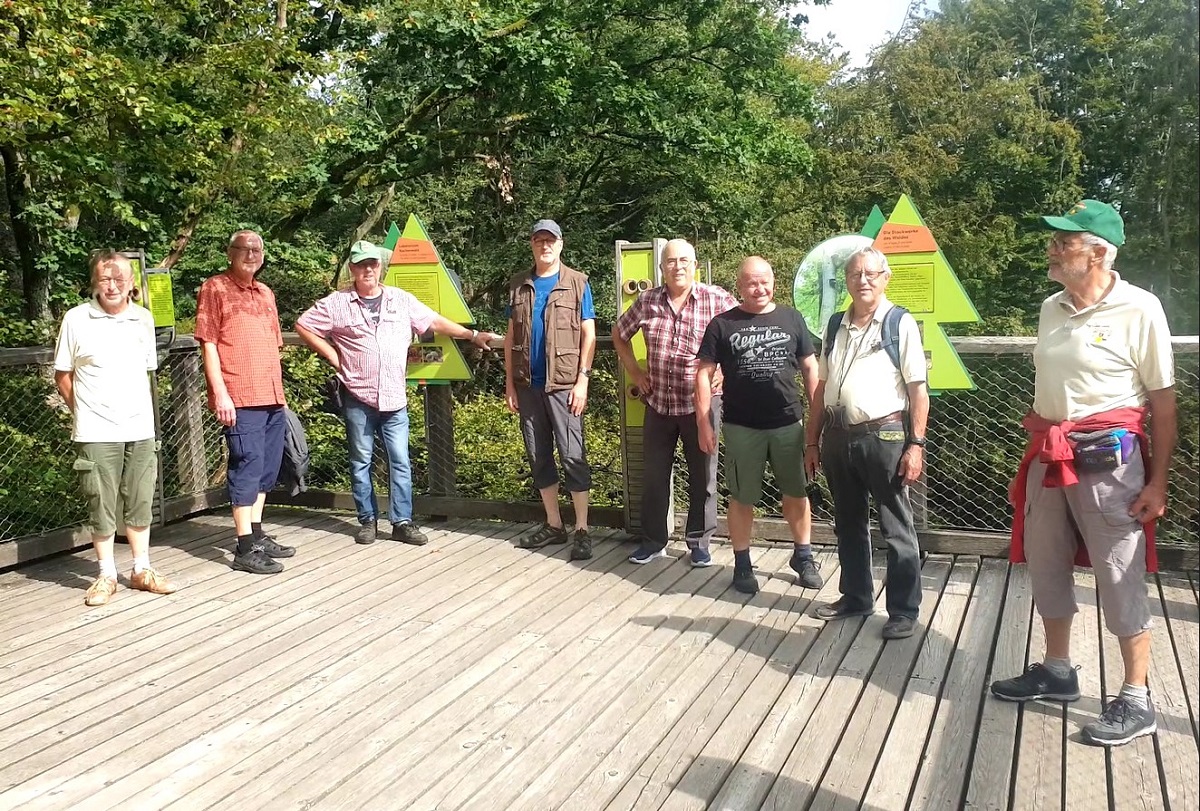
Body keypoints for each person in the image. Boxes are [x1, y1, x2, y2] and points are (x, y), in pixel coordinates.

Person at [989, 200, 1176, 747]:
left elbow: (1163, 405)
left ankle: (1136, 697)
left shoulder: (1140, 309)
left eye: (1064, 242)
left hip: (1110, 462)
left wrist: (1158, 482)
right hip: (1050, 454)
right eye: (1055, 241)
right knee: (1046, 562)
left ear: (1098, 252)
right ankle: (1058, 669)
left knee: (1119, 572)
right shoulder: (1051, 307)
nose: (1052, 249)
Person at [296, 240, 501, 544]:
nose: (367, 269)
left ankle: (402, 521)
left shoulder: (400, 299)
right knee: (360, 461)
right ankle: (367, 521)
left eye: (372, 264)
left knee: (400, 461)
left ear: (380, 267)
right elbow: (303, 325)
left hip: (394, 397)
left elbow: (433, 321)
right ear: (352, 268)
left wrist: (472, 334)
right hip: (357, 395)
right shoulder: (337, 303)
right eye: (361, 264)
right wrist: (333, 356)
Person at [804, 247, 929, 640]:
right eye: (856, 274)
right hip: (839, 436)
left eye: (871, 273)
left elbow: (918, 391)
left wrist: (916, 444)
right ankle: (856, 597)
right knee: (848, 522)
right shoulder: (835, 325)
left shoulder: (899, 323)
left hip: (885, 434)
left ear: (885, 278)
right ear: (847, 281)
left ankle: (904, 610)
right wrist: (812, 441)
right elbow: (821, 386)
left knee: (896, 524)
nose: (863, 280)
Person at [53, 250, 178, 606]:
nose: (112, 285)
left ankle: (142, 570)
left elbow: (146, 371)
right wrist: (85, 411)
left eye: (119, 279)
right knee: (101, 503)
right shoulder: (76, 319)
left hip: (139, 428)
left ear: (131, 283)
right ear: (95, 282)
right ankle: (106, 574)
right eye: (105, 278)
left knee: (140, 500)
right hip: (95, 432)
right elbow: (63, 375)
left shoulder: (142, 319)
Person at [695, 256, 823, 594]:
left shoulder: (792, 318)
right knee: (742, 497)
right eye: (751, 282)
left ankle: (804, 556)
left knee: (796, 492)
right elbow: (703, 375)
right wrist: (704, 423)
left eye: (764, 281)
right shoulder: (722, 324)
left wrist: (817, 417)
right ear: (739, 286)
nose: (758, 288)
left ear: (774, 282)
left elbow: (811, 369)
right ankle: (742, 563)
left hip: (788, 423)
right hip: (741, 426)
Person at [613, 239, 737, 567]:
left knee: (703, 477)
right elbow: (619, 334)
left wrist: (726, 368)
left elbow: (741, 335)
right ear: (661, 268)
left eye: (684, 260)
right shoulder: (647, 301)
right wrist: (636, 373)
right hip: (659, 404)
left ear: (695, 265)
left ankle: (699, 542)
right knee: (653, 477)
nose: (678, 266)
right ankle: (653, 542)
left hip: (703, 406)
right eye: (671, 261)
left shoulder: (717, 298)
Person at [194, 230, 296, 575]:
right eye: (244, 249)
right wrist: (220, 392)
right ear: (230, 253)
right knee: (246, 464)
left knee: (267, 467)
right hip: (240, 394)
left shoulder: (265, 293)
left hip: (271, 393)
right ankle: (243, 547)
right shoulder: (215, 288)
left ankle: (256, 532)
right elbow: (208, 343)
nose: (251, 254)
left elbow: (274, 344)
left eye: (257, 249)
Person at [504, 219, 597, 561]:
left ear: (561, 244)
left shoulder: (577, 283)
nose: (545, 246)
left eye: (550, 241)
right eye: (539, 240)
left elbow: (589, 334)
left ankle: (583, 529)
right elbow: (511, 337)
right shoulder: (519, 285)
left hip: (565, 385)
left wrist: (583, 379)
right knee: (538, 454)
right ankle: (555, 525)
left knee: (573, 455)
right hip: (529, 386)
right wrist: (510, 383)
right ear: (532, 244)